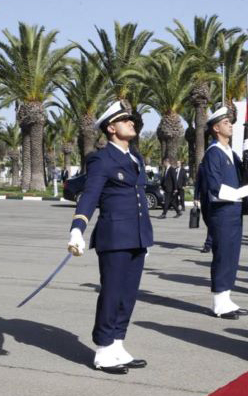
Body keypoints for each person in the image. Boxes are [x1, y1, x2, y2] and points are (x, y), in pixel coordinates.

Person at [67, 101, 153, 374]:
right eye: (125, 120)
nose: (132, 123)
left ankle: (117, 344)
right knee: (112, 294)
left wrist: (144, 238)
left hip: (137, 238)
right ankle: (103, 350)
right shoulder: (102, 159)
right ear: (111, 128)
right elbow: (90, 195)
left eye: (131, 119)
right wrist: (77, 228)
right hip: (114, 237)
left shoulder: (135, 158)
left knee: (128, 296)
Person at [200, 107, 248, 319]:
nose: (230, 125)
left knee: (232, 255)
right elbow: (214, 186)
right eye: (226, 122)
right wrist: (239, 193)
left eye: (230, 122)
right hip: (221, 211)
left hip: (234, 211)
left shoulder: (230, 152)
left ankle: (227, 297)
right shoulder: (213, 153)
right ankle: (219, 303)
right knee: (222, 256)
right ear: (215, 128)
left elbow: (247, 175)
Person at [193, 162, 212, 253]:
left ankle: (208, 244)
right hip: (204, 197)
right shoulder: (202, 166)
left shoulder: (218, 164)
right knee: (206, 219)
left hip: (215, 198)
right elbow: (198, 183)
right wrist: (196, 197)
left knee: (212, 221)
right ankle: (214, 236)